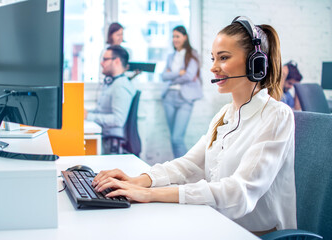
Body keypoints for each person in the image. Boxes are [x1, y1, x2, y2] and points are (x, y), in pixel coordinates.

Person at [91, 16, 297, 234]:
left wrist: (150, 194)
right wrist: (139, 181)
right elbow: (188, 165)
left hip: (254, 234)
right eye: (213, 59)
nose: (214, 68)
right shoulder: (226, 114)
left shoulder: (276, 116)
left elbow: (239, 193)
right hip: (217, 223)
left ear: (255, 63)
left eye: (224, 58)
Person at [161, 25, 203, 158]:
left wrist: (171, 75)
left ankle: (185, 174)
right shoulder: (170, 56)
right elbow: (163, 76)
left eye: (177, 36)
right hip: (169, 98)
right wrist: (178, 73)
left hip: (185, 98)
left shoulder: (193, 55)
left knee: (177, 138)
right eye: (173, 36)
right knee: (173, 139)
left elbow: (189, 76)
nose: (175, 39)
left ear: (185, 37)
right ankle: (178, 173)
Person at [86, 45, 136, 154]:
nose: (101, 63)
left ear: (116, 61)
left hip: (112, 143)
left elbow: (118, 120)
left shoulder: (120, 86)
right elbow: (102, 111)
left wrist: (88, 116)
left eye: (105, 59)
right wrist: (86, 113)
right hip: (105, 138)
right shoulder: (112, 83)